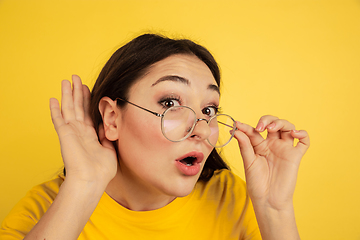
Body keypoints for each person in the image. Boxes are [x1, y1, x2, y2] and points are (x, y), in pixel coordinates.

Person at [0, 34, 309, 240]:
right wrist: (84, 186)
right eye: (170, 103)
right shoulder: (47, 208)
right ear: (112, 118)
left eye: (210, 109)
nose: (202, 128)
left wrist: (274, 210)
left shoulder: (233, 200)